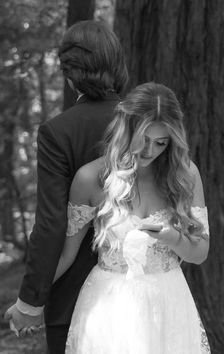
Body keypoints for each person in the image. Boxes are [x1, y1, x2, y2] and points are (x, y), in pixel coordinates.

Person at [55, 82, 211, 353]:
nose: (150, 151)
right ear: (126, 129)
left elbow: (200, 253)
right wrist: (29, 301)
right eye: (144, 140)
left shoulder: (185, 176)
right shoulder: (91, 178)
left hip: (170, 303)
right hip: (109, 305)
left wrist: (171, 237)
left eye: (161, 142)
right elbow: (65, 255)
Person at [4, 20, 128, 354]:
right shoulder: (148, 126)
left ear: (70, 75)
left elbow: (50, 224)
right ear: (117, 65)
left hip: (75, 300)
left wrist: (30, 301)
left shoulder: (58, 132)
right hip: (145, 293)